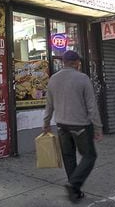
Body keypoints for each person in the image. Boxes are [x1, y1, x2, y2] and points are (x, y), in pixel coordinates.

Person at [43, 50, 103, 203]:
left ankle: (74, 191)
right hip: (80, 126)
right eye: (78, 62)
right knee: (89, 156)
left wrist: (46, 123)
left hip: (62, 125)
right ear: (76, 63)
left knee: (68, 157)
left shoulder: (53, 79)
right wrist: (98, 128)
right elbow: (92, 106)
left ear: (63, 62)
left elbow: (48, 105)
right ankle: (73, 184)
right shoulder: (82, 78)